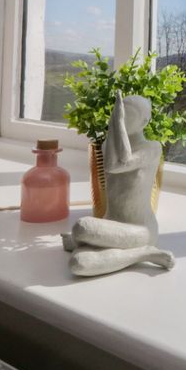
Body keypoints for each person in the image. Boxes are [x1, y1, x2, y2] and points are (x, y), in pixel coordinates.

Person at [63, 91, 175, 276]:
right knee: (79, 264)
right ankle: (141, 253)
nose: (122, 119)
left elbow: (119, 164)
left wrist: (118, 121)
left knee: (81, 227)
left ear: (144, 121)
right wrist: (116, 122)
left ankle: (146, 251)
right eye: (121, 113)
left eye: (128, 115)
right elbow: (113, 161)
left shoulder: (152, 148)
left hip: (141, 230)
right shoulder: (109, 146)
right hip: (111, 224)